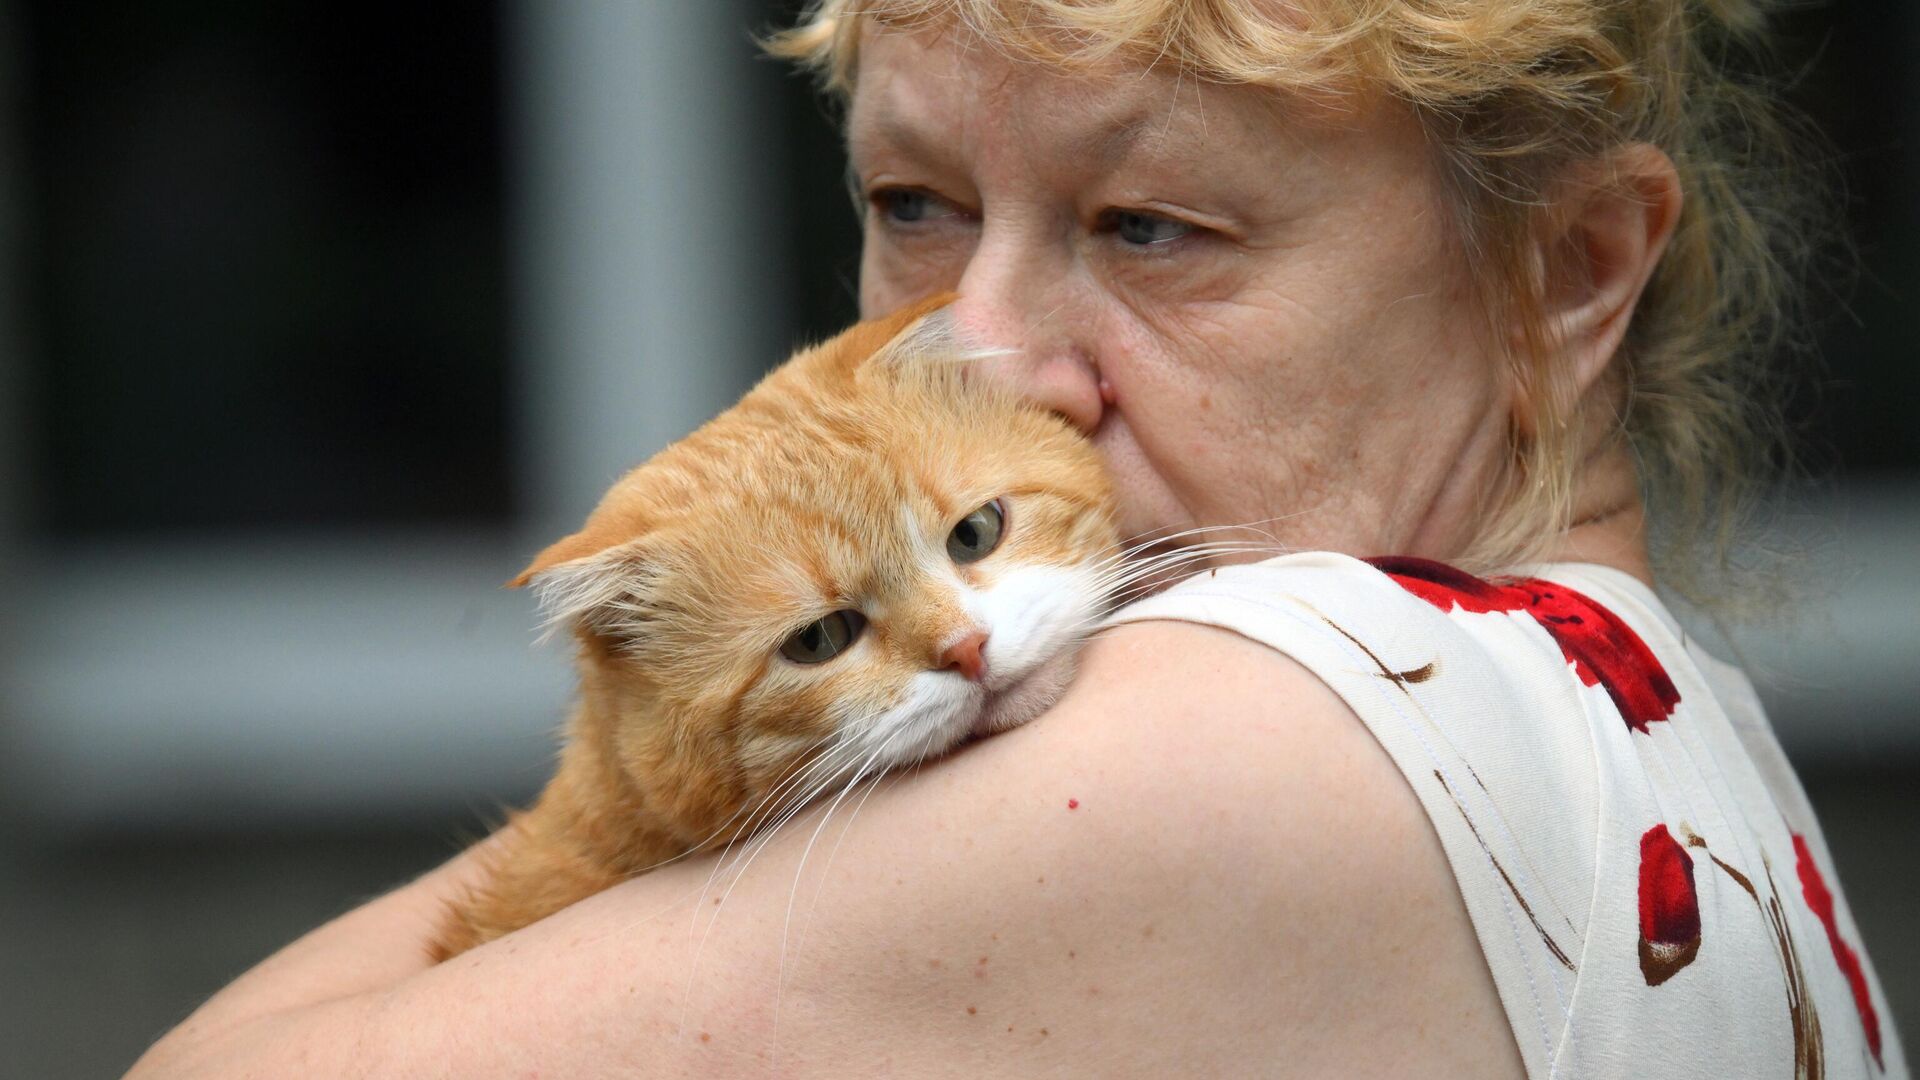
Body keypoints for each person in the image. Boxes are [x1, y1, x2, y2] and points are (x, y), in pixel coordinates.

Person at [130, 2, 1907, 1077]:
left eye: (1150, 228)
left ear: (1569, 271)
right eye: (914, 204)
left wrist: (652, 761)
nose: (992, 358)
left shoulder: (1254, 732)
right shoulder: (1660, 742)